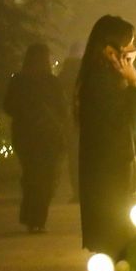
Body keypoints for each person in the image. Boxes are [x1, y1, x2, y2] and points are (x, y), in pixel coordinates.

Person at [76, 15, 136, 256]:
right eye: (129, 46)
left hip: (110, 179)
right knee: (117, 249)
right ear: (110, 51)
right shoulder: (101, 83)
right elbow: (128, 125)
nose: (134, 53)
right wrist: (135, 85)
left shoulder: (104, 79)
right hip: (111, 181)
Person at [4, 43, 69, 233]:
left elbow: (62, 109)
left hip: (38, 136)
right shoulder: (35, 81)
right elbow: (9, 106)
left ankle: (34, 217)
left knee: (38, 177)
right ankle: (36, 217)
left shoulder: (29, 81)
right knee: (39, 177)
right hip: (35, 137)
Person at [57, 42, 83, 203]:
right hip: (85, 120)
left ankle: (77, 191)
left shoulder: (64, 73)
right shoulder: (87, 72)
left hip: (69, 120)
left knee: (74, 158)